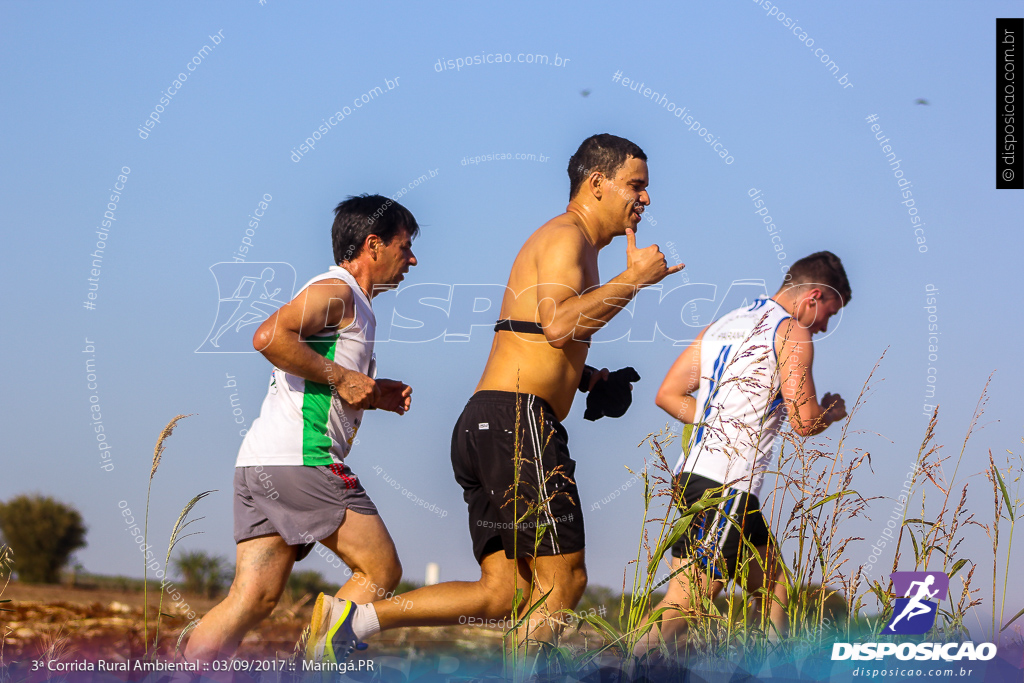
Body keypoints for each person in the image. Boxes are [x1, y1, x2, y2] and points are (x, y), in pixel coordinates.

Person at [306, 133, 682, 661]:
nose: (645, 200)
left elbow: (532, 335)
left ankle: (353, 619)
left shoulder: (571, 245)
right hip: (517, 422)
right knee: (564, 582)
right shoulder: (565, 238)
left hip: (492, 420)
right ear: (597, 183)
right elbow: (557, 325)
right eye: (636, 186)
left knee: (504, 592)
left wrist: (591, 379)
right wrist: (635, 280)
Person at [183, 194, 419, 663]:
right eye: (405, 246)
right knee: (380, 570)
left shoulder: (357, 304)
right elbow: (268, 336)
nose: (412, 259)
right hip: (303, 461)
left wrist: (372, 393)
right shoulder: (338, 291)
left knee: (253, 600)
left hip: (260, 462)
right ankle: (315, 665)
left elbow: (318, 379)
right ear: (373, 245)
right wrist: (344, 377)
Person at [647, 251, 851, 648]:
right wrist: (832, 411)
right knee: (688, 602)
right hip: (727, 483)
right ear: (812, 297)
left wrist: (716, 422)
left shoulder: (725, 323)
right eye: (830, 311)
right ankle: (618, 669)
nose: (825, 326)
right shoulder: (791, 331)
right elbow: (804, 420)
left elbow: (668, 395)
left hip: (695, 473)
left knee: (773, 584)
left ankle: (763, 668)